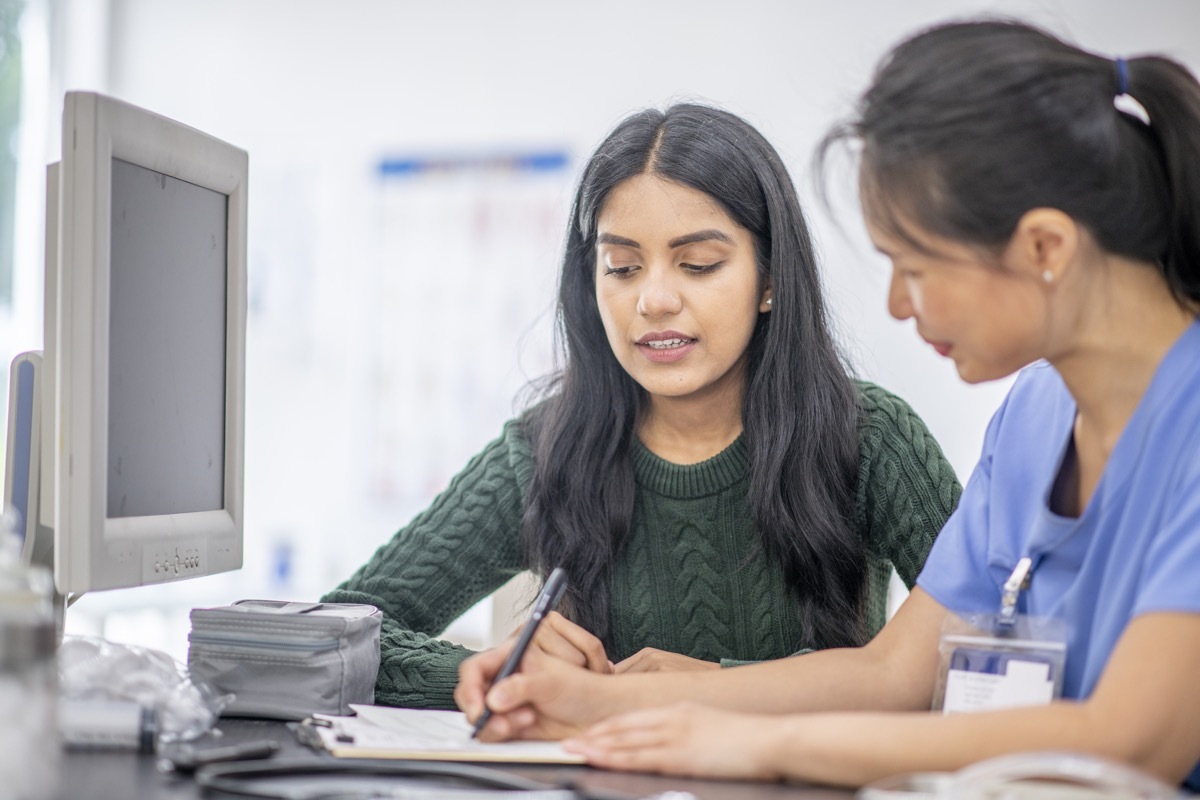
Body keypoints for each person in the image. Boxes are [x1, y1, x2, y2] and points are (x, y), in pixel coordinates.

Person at [455, 19, 1200, 790]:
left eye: (915, 267)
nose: (898, 304)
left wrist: (761, 745)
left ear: (1045, 247)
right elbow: (893, 674)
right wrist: (595, 702)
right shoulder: (1036, 416)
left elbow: (1129, 743)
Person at [322, 103, 960, 710]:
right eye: (623, 267)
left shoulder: (870, 436)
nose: (654, 300)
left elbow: (983, 653)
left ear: (770, 280)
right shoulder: (546, 450)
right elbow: (335, 632)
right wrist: (495, 674)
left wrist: (715, 689)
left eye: (698, 264)